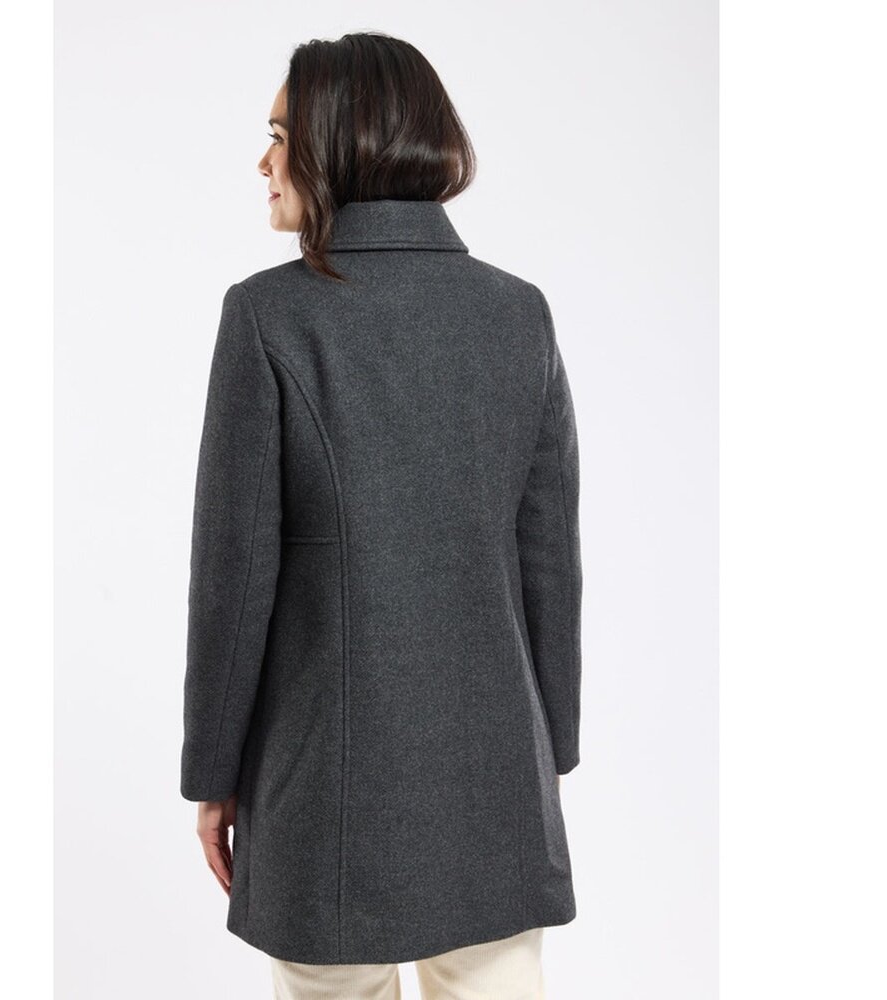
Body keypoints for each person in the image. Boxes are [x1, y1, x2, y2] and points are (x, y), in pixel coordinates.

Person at [181, 31, 583, 1000]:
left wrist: (214, 772)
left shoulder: (269, 316)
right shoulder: (518, 313)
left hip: (324, 786)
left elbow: (235, 574)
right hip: (495, 776)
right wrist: (550, 747)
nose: (264, 161)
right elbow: (549, 562)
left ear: (337, 142)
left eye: (279, 135)